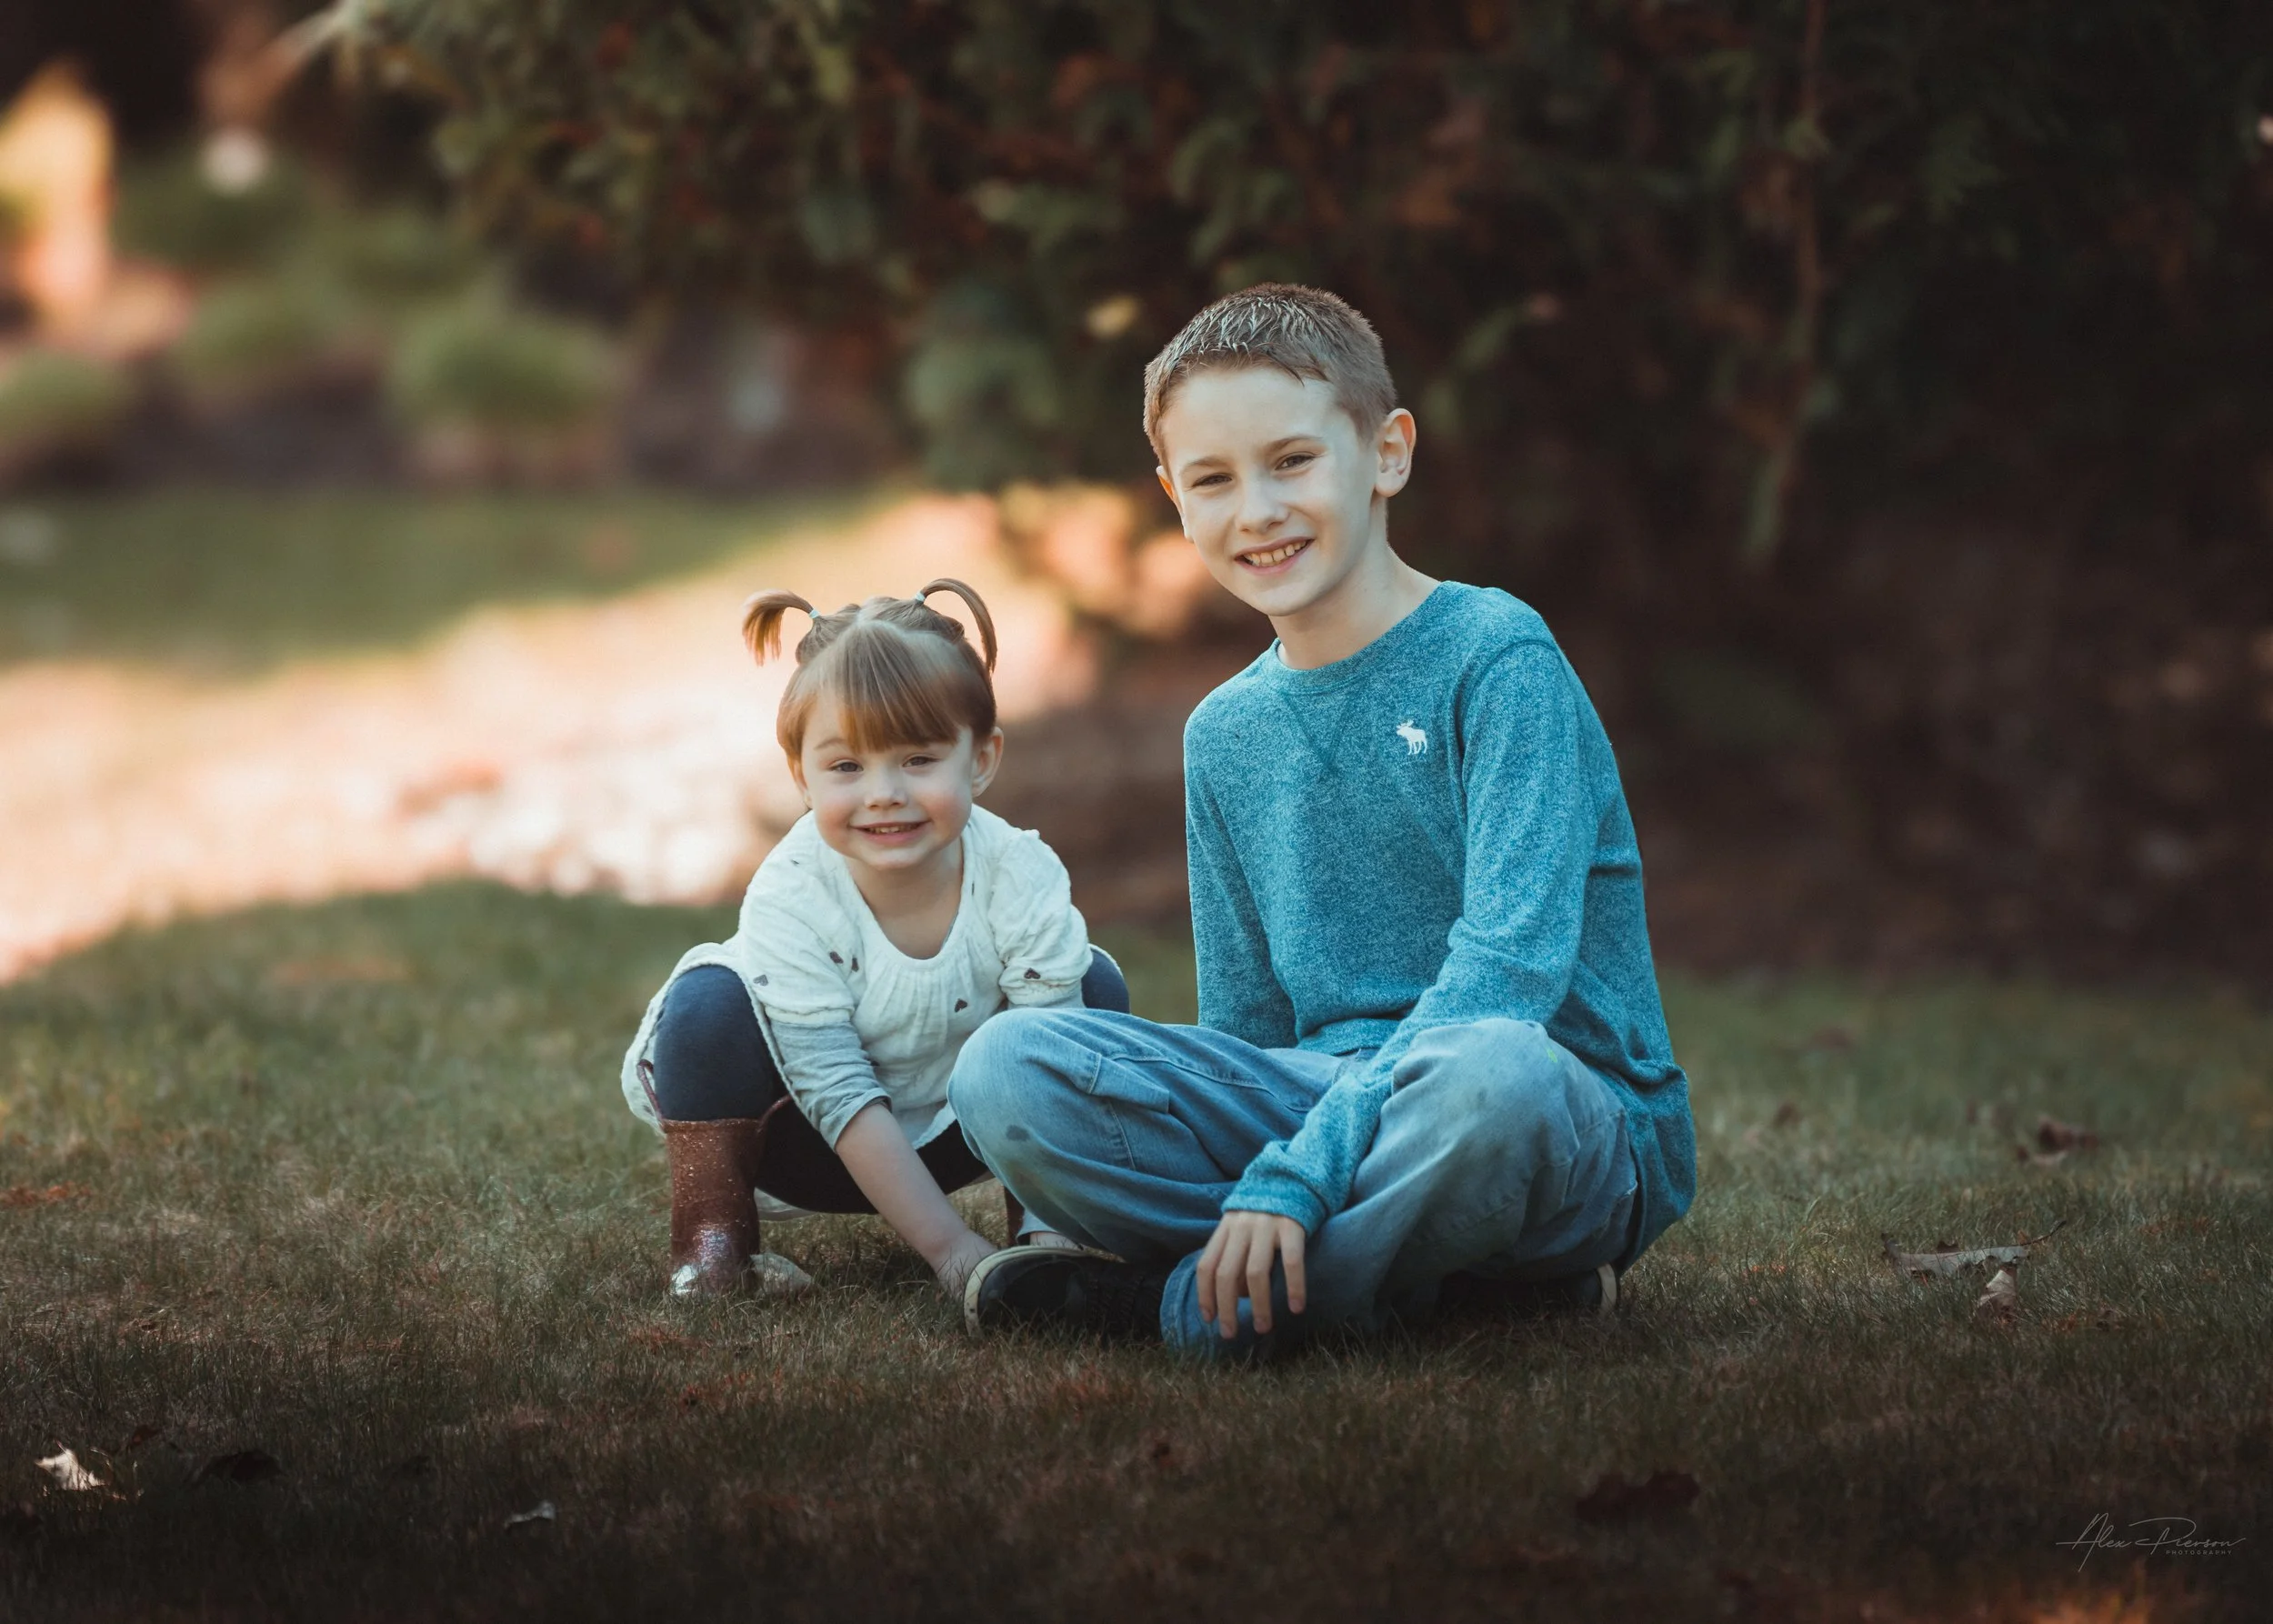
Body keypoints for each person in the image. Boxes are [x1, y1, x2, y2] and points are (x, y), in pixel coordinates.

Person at [952, 285, 1697, 1355]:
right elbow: (1246, 1033)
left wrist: (1296, 1175)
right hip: (1325, 1098)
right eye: (1212, 479)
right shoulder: (1223, 734)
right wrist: (1280, 1154)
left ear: (1385, 454)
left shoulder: (1497, 658)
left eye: (1291, 461)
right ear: (1175, 498)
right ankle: (1415, 1282)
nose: (1255, 509)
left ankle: (1187, 1308)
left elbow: (1509, 982)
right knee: (1004, 1067)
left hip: (1550, 1111)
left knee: (1491, 1073)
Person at [619, 578, 1129, 1302]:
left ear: (980, 759)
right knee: (706, 1004)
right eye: (847, 766)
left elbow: (1047, 1067)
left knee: (1093, 986)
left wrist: (1037, 1263)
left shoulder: (1019, 871)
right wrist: (951, 1250)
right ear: (802, 775)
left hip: (967, 1127)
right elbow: (834, 1089)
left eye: (918, 759)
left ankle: (1047, 1237)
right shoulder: (791, 892)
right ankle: (714, 1250)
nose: (884, 792)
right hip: (803, 1134)